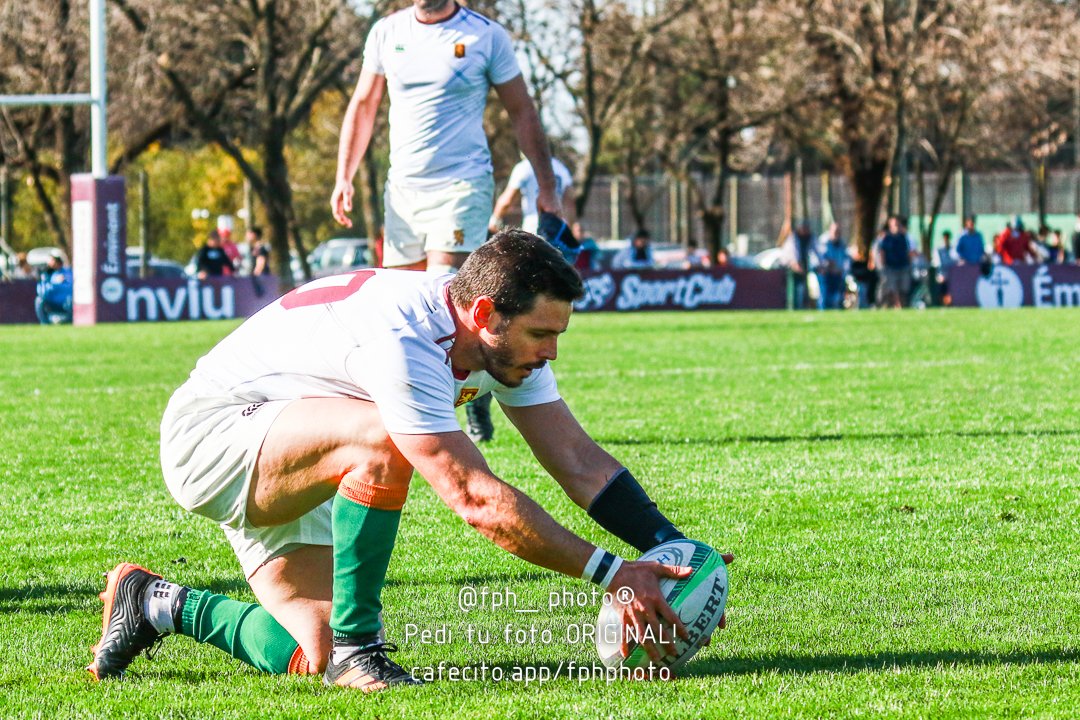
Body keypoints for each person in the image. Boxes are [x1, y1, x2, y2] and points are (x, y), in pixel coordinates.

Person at [86, 232, 730, 690]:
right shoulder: (405, 338)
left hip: (303, 437)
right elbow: (472, 497)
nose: (551, 352)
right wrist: (615, 573)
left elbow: (577, 460)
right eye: (541, 333)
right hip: (215, 437)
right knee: (382, 438)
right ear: (484, 313)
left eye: (557, 334)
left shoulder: (496, 342)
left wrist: (672, 554)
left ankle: (157, 603)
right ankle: (362, 651)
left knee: (312, 650)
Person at [330, 0, 561, 275]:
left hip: (462, 184)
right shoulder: (386, 32)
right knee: (405, 292)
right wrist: (344, 176)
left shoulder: (486, 35)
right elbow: (364, 106)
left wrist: (547, 188)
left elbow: (522, 111)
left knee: (443, 285)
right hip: (403, 189)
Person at [490, 155, 575, 234]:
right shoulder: (562, 168)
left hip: (533, 227)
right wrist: (568, 230)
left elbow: (507, 200)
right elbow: (569, 205)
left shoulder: (525, 167)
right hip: (558, 227)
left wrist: (494, 219)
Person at [875, 216, 915, 309]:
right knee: (892, 288)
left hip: (903, 266)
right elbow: (882, 252)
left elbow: (909, 252)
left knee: (904, 288)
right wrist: (883, 266)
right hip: (890, 267)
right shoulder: (886, 238)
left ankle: (902, 305)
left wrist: (910, 263)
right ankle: (894, 305)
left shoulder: (904, 237)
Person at [780, 221, 818, 309]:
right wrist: (796, 264)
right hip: (790, 265)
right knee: (792, 288)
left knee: (803, 288)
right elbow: (793, 253)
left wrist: (820, 264)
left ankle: (802, 306)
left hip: (802, 264)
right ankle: (792, 307)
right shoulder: (793, 238)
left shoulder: (809, 238)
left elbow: (815, 251)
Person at [817, 223, 849, 310]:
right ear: (830, 231)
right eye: (835, 231)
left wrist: (842, 270)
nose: (837, 234)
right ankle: (822, 312)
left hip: (837, 274)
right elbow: (820, 258)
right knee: (825, 296)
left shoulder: (842, 244)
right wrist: (828, 265)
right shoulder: (824, 242)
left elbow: (846, 260)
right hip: (825, 274)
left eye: (838, 232)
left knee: (838, 296)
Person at [34, 252, 73, 324]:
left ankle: (69, 321)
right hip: (52, 303)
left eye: (51, 260)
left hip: (65, 303)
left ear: (58, 261)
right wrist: (53, 283)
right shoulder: (47, 274)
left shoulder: (68, 272)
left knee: (71, 300)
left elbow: (69, 287)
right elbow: (41, 291)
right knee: (39, 300)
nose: (49, 263)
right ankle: (45, 324)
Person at [934, 230, 958, 306]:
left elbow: (955, 262)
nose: (946, 240)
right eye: (945, 238)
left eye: (947, 238)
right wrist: (941, 275)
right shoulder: (939, 250)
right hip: (942, 274)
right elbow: (938, 264)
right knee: (942, 287)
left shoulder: (953, 249)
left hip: (952, 274)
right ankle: (942, 303)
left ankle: (950, 303)